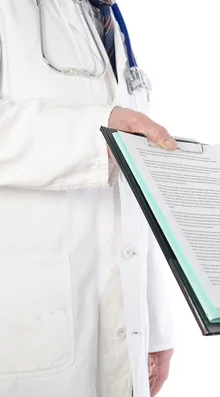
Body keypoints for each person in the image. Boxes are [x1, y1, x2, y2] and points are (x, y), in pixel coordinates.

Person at [0, 1, 176, 396]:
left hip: (117, 321)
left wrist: (153, 323)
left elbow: (132, 187)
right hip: (26, 324)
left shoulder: (104, 20)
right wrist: (96, 135)